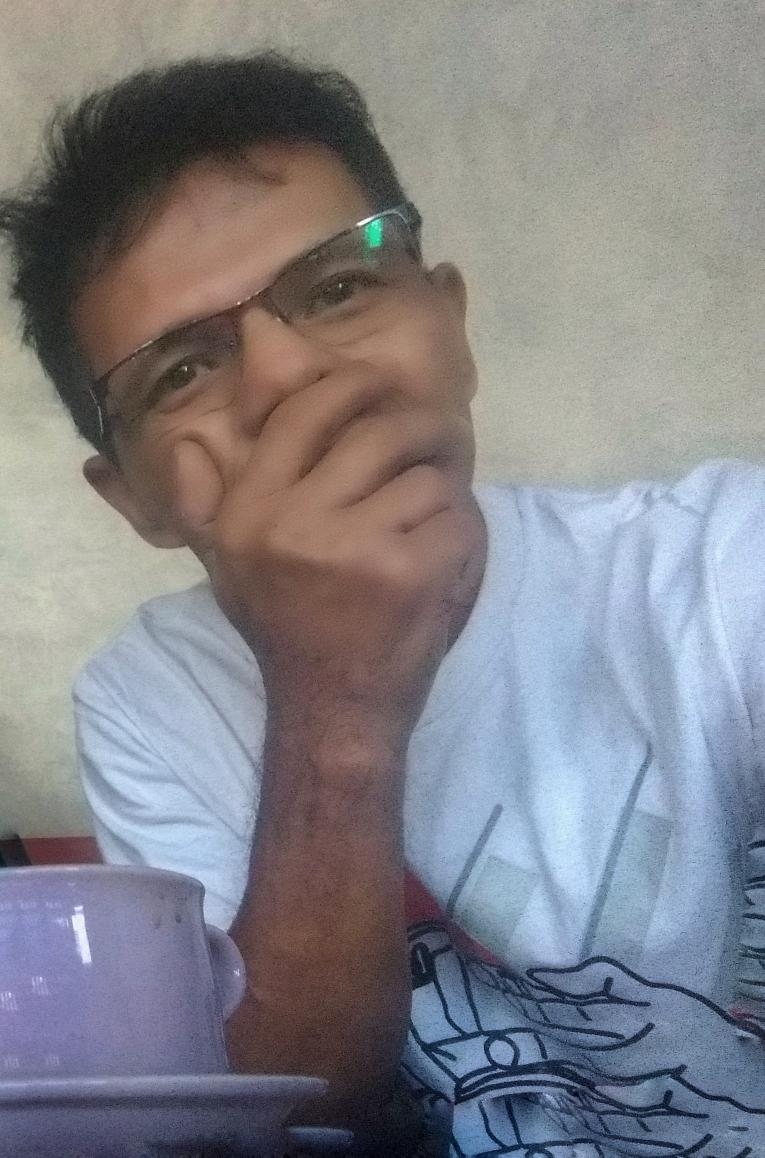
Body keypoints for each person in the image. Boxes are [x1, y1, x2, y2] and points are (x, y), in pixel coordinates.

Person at [2, 53, 765, 1156]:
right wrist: (334, 695)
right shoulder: (147, 698)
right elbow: (283, 1118)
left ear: (451, 321)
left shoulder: (721, 563)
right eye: (180, 370)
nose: (288, 375)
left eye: (338, 287)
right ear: (132, 500)